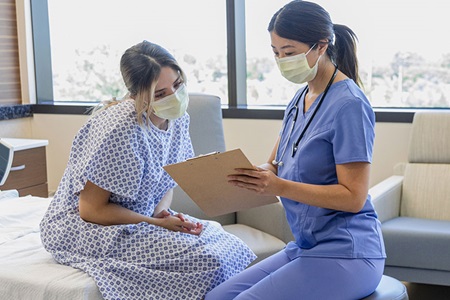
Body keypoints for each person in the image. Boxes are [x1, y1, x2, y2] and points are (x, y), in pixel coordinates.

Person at [40, 41, 256, 300]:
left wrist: (164, 215)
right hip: (86, 228)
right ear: (137, 94)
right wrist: (155, 223)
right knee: (207, 260)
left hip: (142, 218)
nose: (174, 97)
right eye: (161, 94)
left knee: (228, 244)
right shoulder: (119, 130)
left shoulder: (177, 119)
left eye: (177, 85)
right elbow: (91, 210)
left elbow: (166, 182)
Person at [205, 1, 386, 299]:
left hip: (349, 252)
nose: (281, 60)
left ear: (321, 46)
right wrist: (245, 176)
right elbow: (274, 165)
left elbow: (354, 198)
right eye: (276, 53)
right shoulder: (300, 98)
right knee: (217, 297)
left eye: (289, 52)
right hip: (306, 246)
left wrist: (278, 186)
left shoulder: (349, 105)